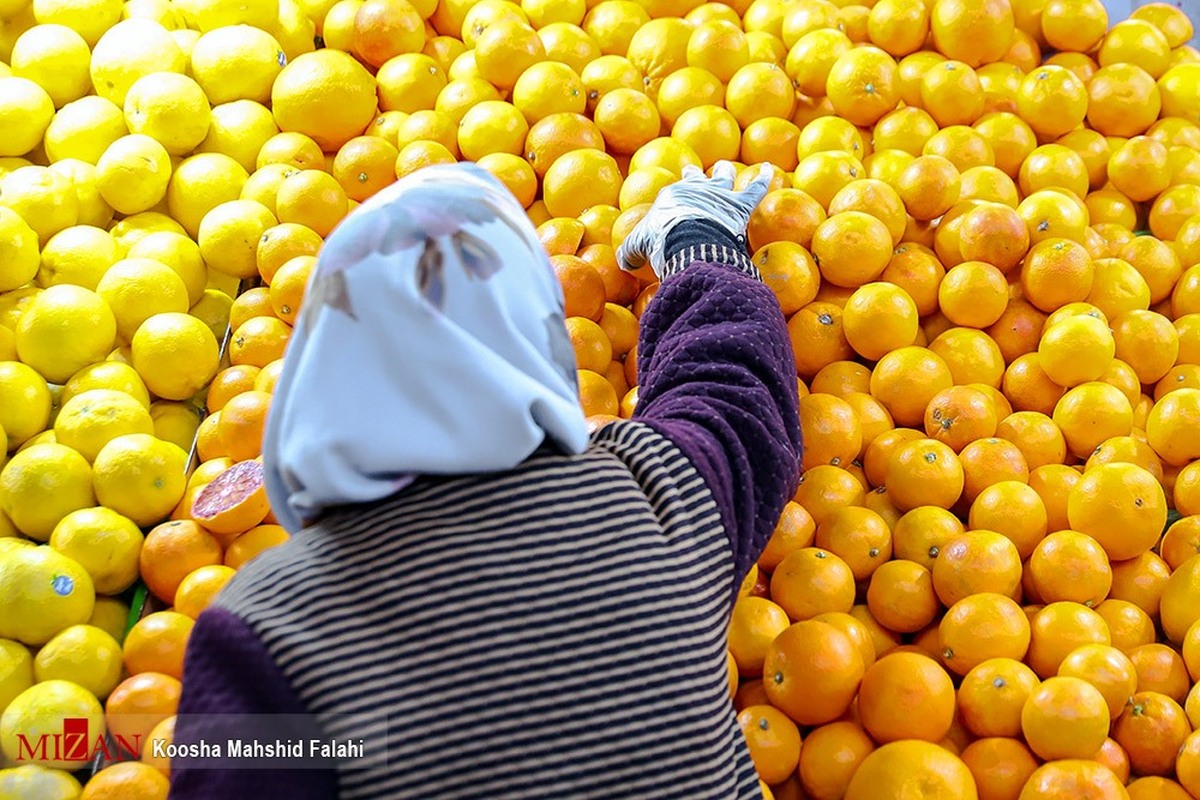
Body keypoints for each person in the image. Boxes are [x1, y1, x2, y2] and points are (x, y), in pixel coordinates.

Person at [168, 160, 802, 799]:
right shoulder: (650, 493)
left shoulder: (273, 624)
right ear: (541, 342)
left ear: (316, 367)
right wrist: (699, 240)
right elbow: (734, 388)